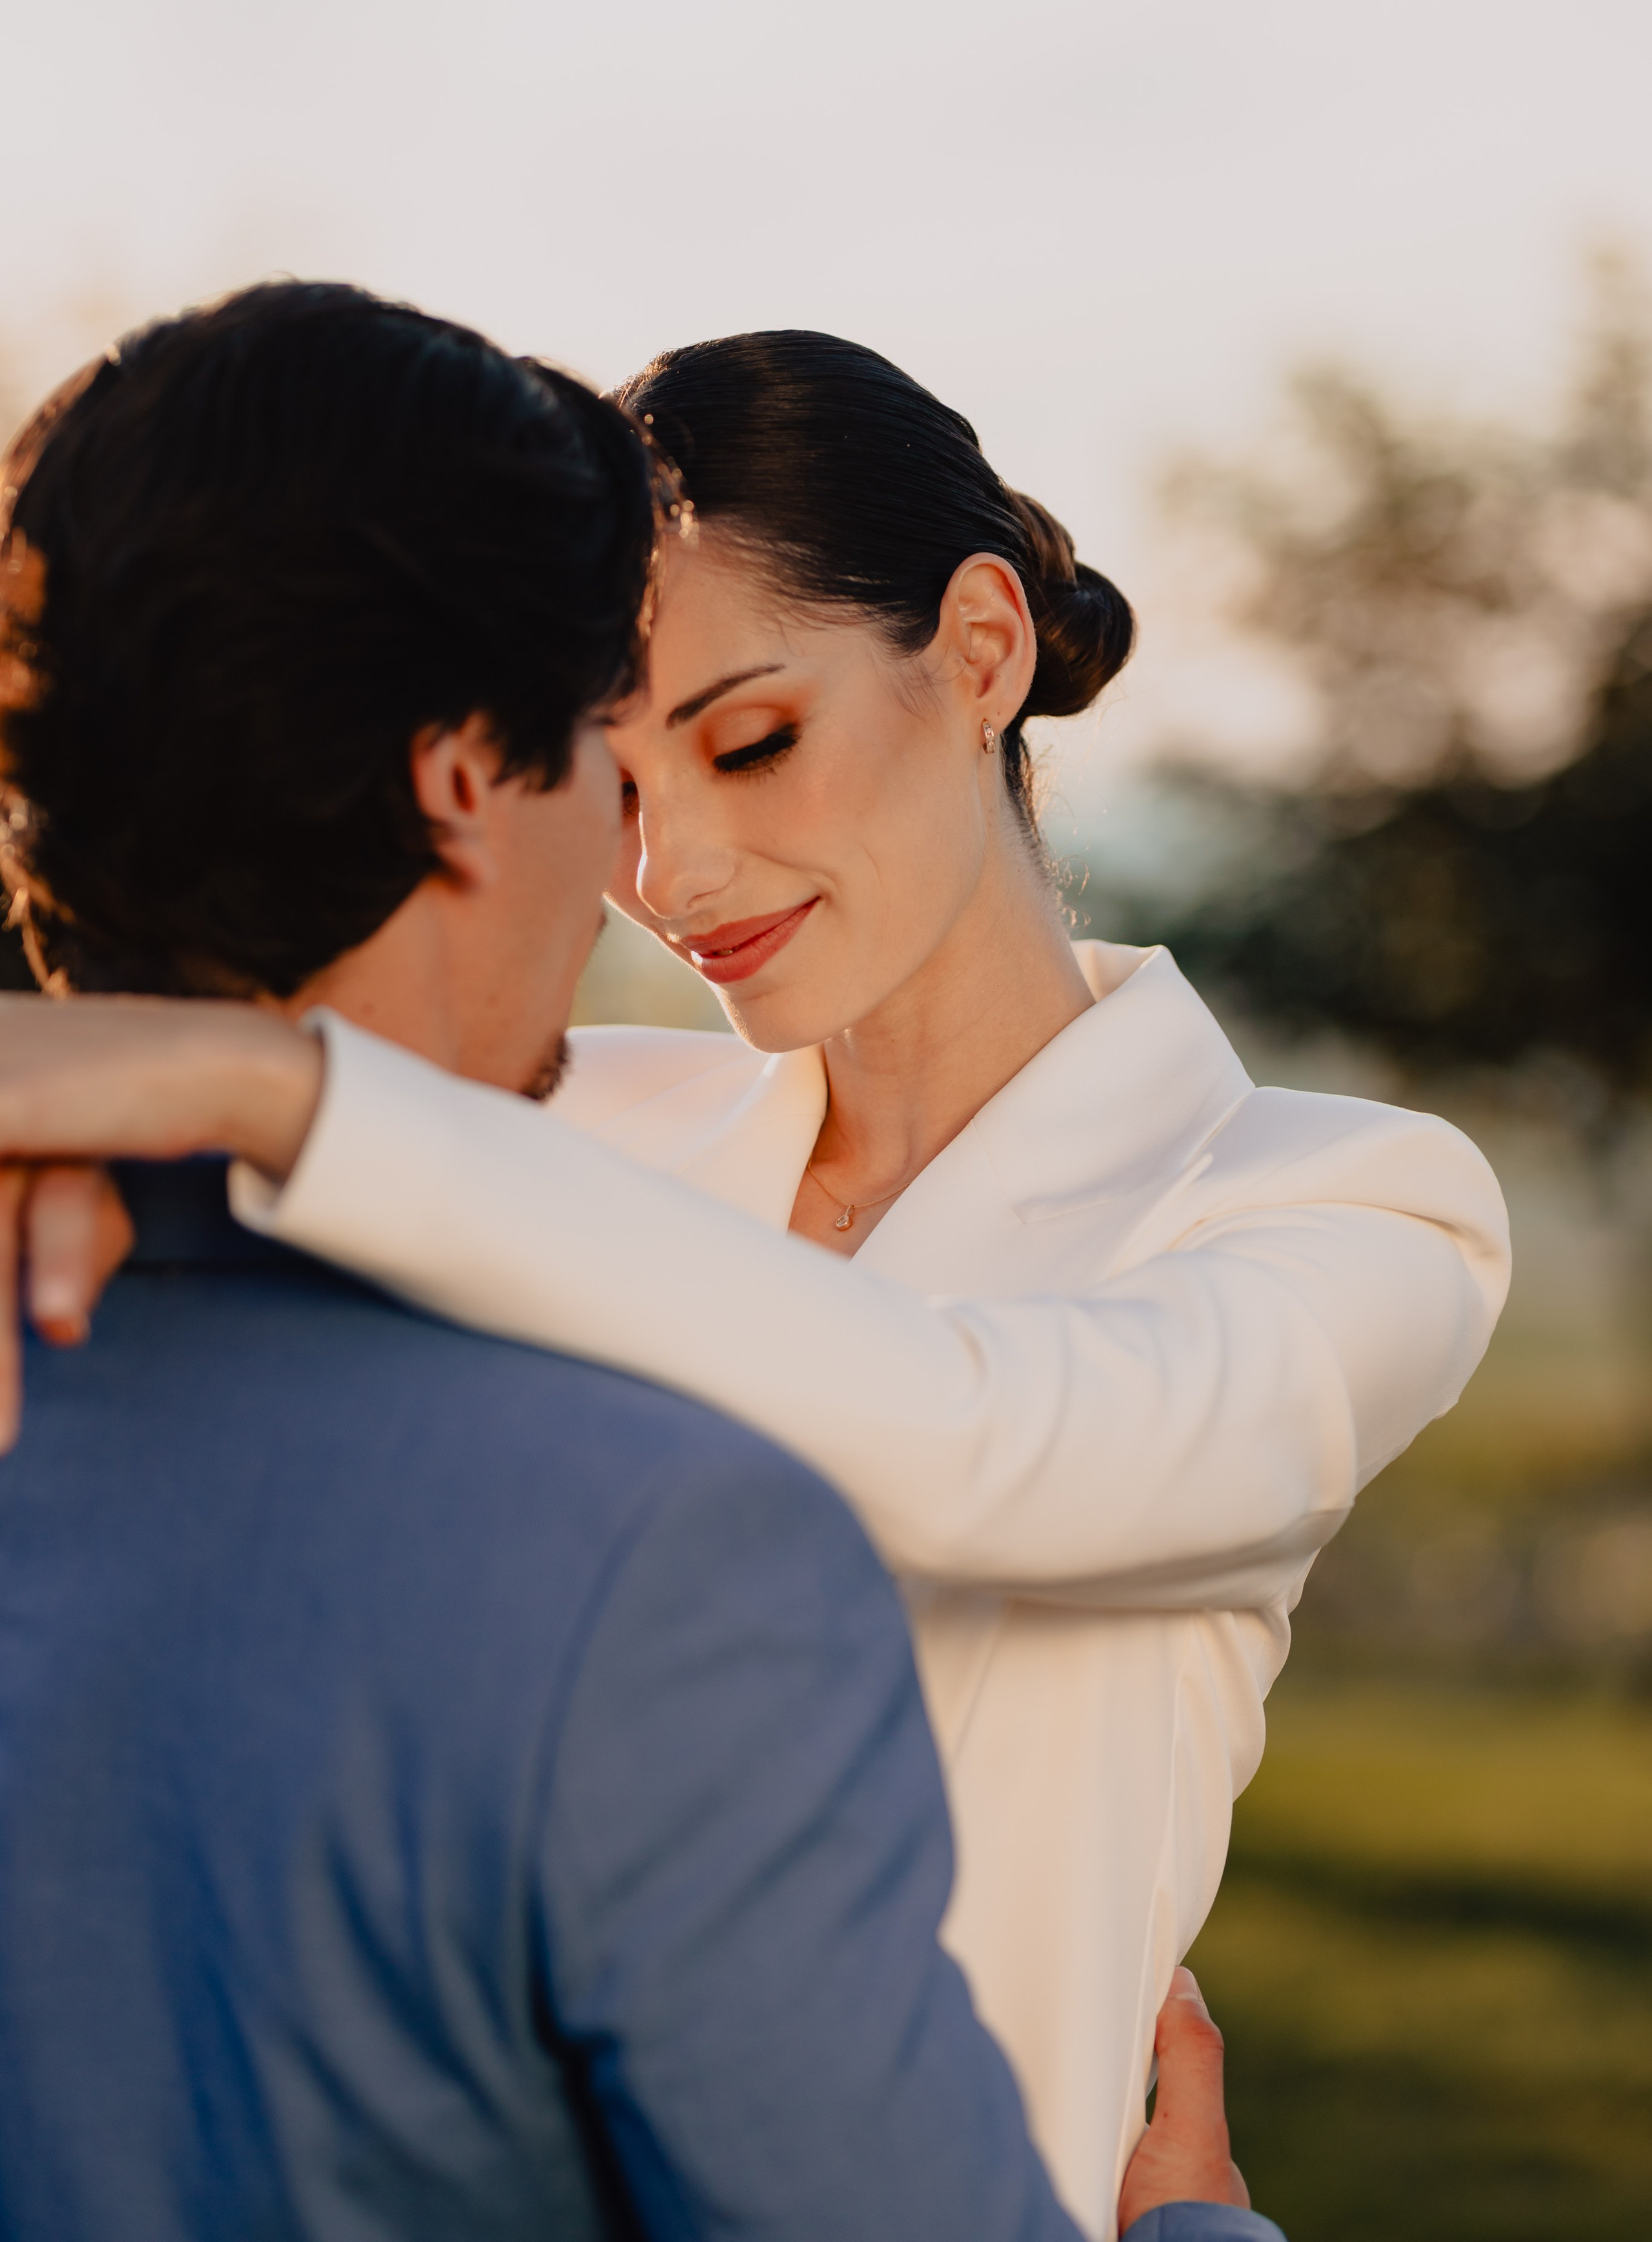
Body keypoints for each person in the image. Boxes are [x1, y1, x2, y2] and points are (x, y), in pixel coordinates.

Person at [0, 330, 1511, 2237]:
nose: (674, 870)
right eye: (613, 784)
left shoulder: (1351, 1205)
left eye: (750, 741)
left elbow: (989, 1443)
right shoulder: (538, 1117)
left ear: (979, 652)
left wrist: (278, 1088)